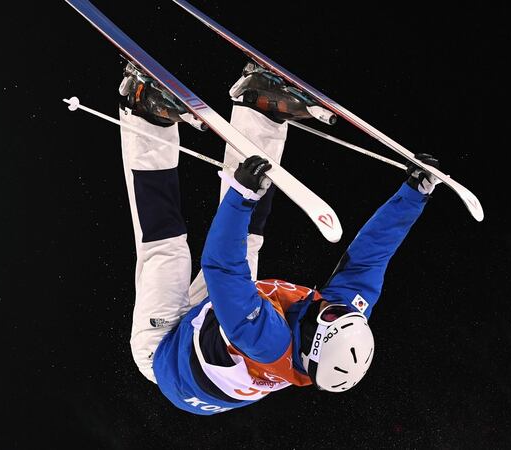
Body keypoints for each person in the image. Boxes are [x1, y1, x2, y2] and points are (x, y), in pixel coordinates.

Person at [118, 61, 442, 415]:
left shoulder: (267, 340)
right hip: (215, 328)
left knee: (168, 250)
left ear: (311, 343)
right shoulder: (341, 316)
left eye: (329, 316)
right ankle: (258, 110)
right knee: (248, 240)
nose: (329, 305)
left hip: (164, 352)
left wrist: (242, 194)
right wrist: (414, 195)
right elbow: (371, 257)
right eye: (339, 311)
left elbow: (221, 265)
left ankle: (142, 110)